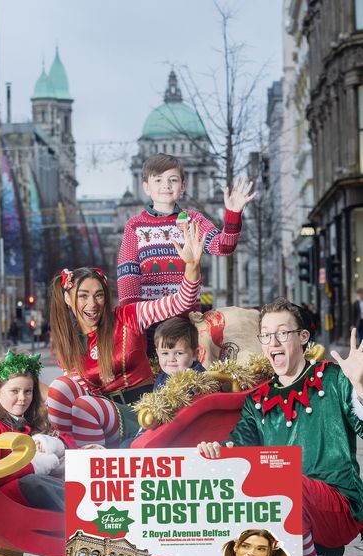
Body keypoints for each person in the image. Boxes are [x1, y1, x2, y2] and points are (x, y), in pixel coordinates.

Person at [197, 297, 363, 556]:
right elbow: (240, 446)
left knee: (282, 478)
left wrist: (361, 388)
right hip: (292, 509)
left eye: (283, 333)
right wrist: (217, 451)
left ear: (302, 338)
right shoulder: (257, 401)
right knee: (257, 480)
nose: (273, 342)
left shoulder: (333, 378)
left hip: (339, 504)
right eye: (266, 334)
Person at [47, 221, 206, 447]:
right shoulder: (67, 343)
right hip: (96, 418)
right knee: (59, 387)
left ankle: (89, 466)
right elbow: (72, 392)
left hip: (143, 411)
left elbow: (180, 303)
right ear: (67, 299)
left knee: (84, 406)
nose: (92, 304)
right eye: (83, 296)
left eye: (99, 295)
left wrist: (191, 266)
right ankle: (68, 452)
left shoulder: (129, 316)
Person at [117, 153, 256, 307]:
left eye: (173, 180)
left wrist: (233, 214)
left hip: (187, 319)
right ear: (146, 188)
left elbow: (223, 247)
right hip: (150, 317)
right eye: (158, 180)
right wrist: (131, 318)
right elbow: (128, 274)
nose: (166, 185)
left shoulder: (194, 221)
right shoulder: (134, 225)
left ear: (182, 186)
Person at [0, 351, 76, 510]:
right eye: (14, 391)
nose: (22, 398)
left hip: (40, 489)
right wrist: (33, 465)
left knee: (76, 462)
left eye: (27, 391)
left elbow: (67, 439)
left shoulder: (35, 418)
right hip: (6, 498)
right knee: (33, 483)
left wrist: (53, 443)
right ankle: (78, 513)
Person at [121, 316, 205, 447]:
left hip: (179, 434)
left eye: (179, 353)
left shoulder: (196, 378)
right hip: (158, 428)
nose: (171, 359)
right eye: (165, 353)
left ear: (195, 354)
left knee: (128, 446)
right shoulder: (162, 378)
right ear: (157, 353)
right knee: (125, 444)